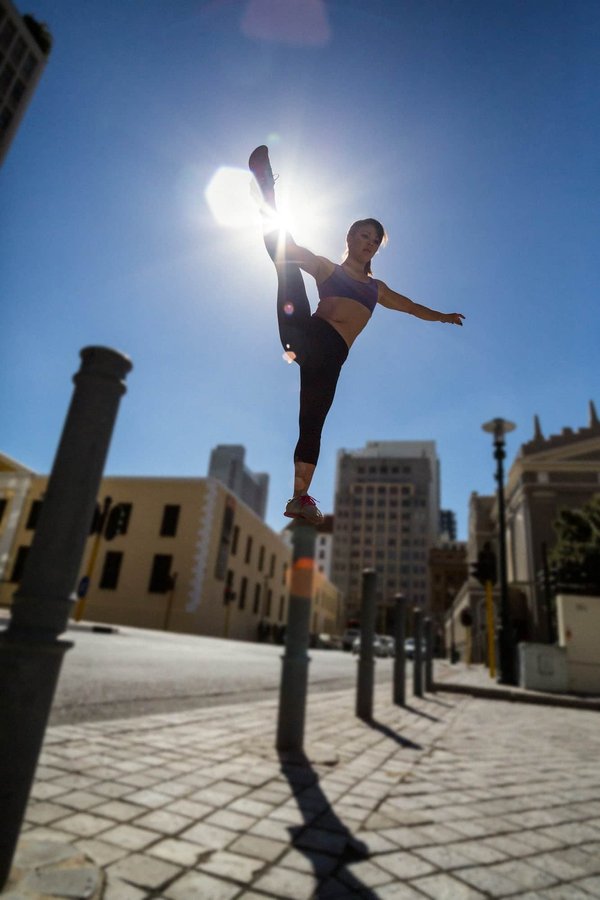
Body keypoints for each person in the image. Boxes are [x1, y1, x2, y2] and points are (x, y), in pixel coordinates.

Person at [248, 145, 465, 525]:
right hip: (304, 334)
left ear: (376, 249)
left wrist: (443, 316)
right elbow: (288, 249)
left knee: (312, 421)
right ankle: (267, 190)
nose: (368, 241)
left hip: (330, 358)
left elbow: (412, 307)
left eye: (374, 239)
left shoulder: (376, 289)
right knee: (286, 262)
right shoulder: (327, 269)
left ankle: (299, 498)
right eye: (363, 234)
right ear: (349, 237)